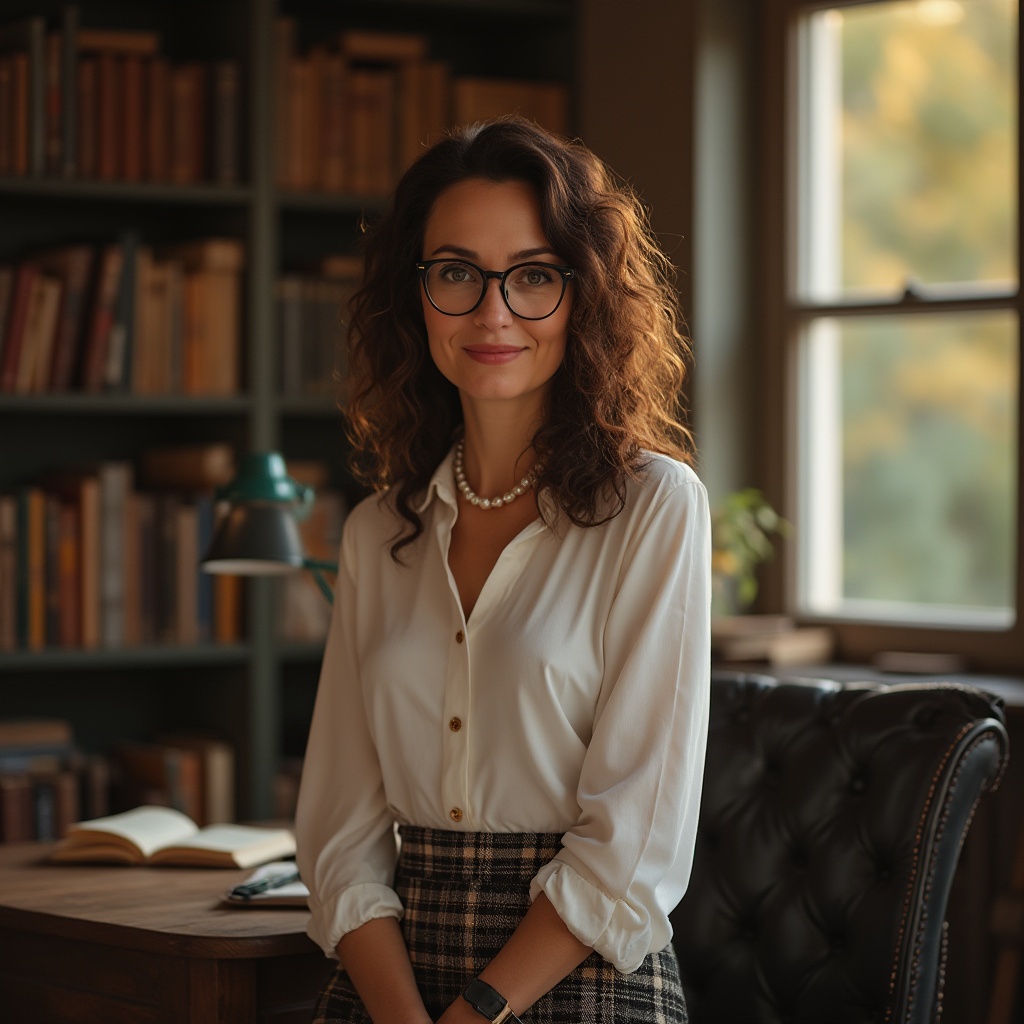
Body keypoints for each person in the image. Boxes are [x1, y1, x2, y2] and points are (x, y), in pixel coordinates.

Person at [295, 117, 710, 1024]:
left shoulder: (655, 508)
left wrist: (477, 1013)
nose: (493, 314)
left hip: (580, 972)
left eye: (532, 277)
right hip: (391, 981)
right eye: (456, 274)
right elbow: (338, 836)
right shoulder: (376, 533)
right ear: (415, 299)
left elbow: (632, 842)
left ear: (584, 296)